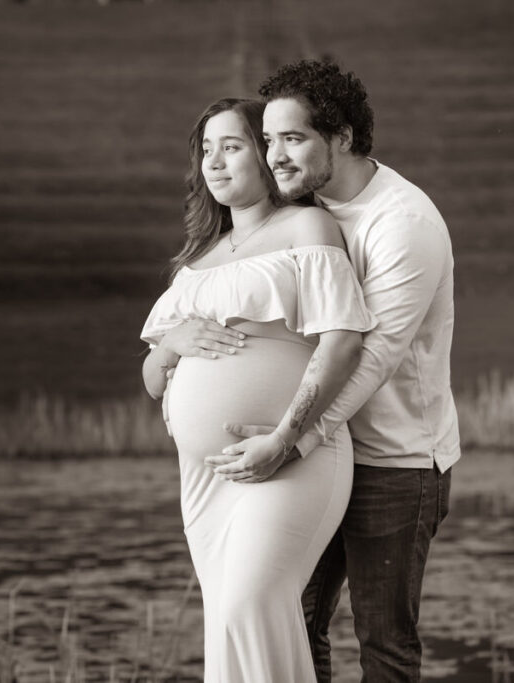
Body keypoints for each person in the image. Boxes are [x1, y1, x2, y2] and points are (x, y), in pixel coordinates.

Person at [215, 60, 462, 682]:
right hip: (326, 454)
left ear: (344, 137)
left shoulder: (403, 225)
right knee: (294, 622)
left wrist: (289, 440)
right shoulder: (304, 209)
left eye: (293, 138)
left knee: (384, 644)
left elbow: (371, 357)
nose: (275, 157)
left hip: (395, 463)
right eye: (269, 140)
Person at [139, 97, 377, 683]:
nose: (215, 162)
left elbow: (342, 342)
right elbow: (151, 381)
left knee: (252, 604)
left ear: (267, 155)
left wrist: (284, 437)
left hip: (289, 458)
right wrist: (173, 344)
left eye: (233, 145)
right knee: (225, 623)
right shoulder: (194, 262)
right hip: (205, 481)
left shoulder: (306, 227)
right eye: (206, 149)